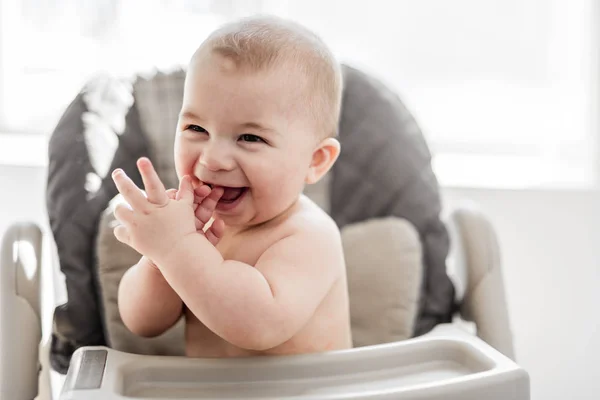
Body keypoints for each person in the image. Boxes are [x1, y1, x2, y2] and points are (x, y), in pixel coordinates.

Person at [111, 14, 352, 357]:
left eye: (250, 137)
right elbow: (143, 322)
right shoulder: (193, 227)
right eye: (196, 129)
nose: (213, 159)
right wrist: (158, 259)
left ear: (315, 160)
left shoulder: (309, 237)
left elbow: (259, 325)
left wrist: (178, 249)